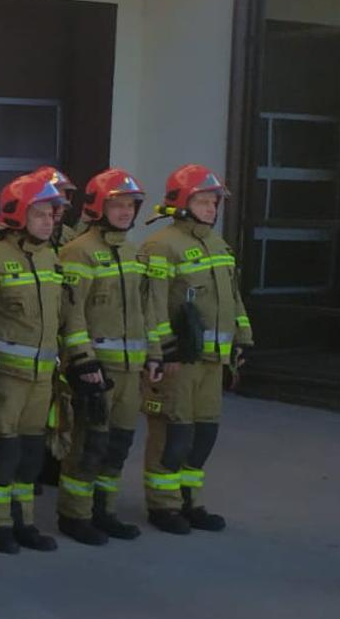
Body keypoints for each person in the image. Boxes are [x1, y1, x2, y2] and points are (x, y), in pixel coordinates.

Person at [140, 164, 251, 535]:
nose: (211, 209)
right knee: (173, 433)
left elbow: (232, 298)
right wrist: (162, 352)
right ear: (182, 203)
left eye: (213, 202)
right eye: (203, 201)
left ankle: (192, 500)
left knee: (204, 434)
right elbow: (152, 305)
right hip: (180, 361)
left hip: (213, 361)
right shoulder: (161, 245)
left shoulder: (218, 244)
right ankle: (163, 505)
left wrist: (242, 341)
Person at [55, 168, 157, 545]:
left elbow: (145, 311)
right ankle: (75, 514)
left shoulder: (131, 252)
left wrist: (154, 356)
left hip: (131, 370)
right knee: (89, 443)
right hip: (96, 368)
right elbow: (72, 311)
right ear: (100, 207)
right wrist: (83, 359)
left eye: (131, 206)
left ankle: (104, 511)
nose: (125, 212)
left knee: (118, 444)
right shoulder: (78, 252)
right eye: (117, 205)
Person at [0, 173, 70, 554]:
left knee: (30, 455)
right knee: (1, 452)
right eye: (41, 213)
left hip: (42, 377)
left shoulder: (50, 257)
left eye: (52, 214)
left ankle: (23, 521)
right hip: (6, 377)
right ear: (17, 214)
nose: (49, 220)